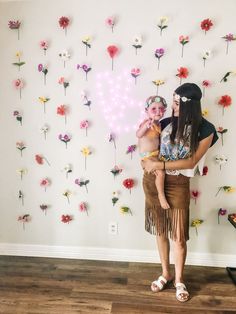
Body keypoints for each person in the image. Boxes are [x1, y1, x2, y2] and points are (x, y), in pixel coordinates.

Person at [142, 83, 218, 302]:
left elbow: (192, 161)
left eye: (177, 104)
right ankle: (165, 273)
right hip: (153, 180)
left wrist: (160, 166)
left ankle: (179, 279)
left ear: (191, 106)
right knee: (160, 230)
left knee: (178, 236)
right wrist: (148, 163)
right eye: (173, 102)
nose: (173, 108)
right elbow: (149, 146)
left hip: (177, 183)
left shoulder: (205, 129)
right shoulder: (164, 122)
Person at [136, 96, 169, 209]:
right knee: (161, 173)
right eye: (153, 109)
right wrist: (145, 126)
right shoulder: (147, 123)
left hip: (156, 154)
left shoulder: (159, 124)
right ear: (147, 111)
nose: (158, 111)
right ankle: (161, 195)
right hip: (147, 156)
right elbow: (139, 135)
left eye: (161, 108)